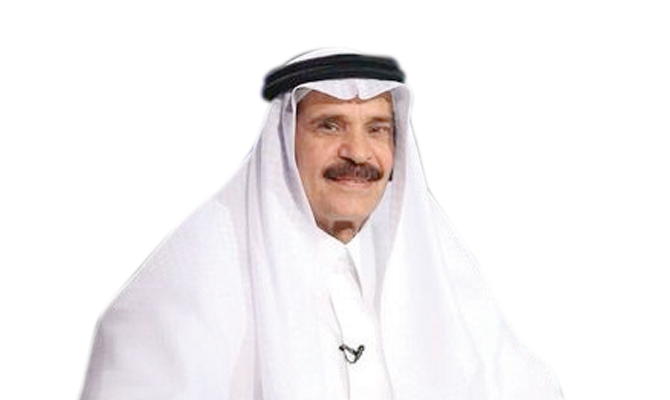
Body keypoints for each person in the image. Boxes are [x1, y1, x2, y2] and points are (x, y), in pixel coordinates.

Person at [78, 47, 563, 399]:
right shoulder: (192, 274)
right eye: (329, 125)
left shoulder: (444, 270)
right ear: (282, 142)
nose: (358, 153)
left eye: (377, 129)